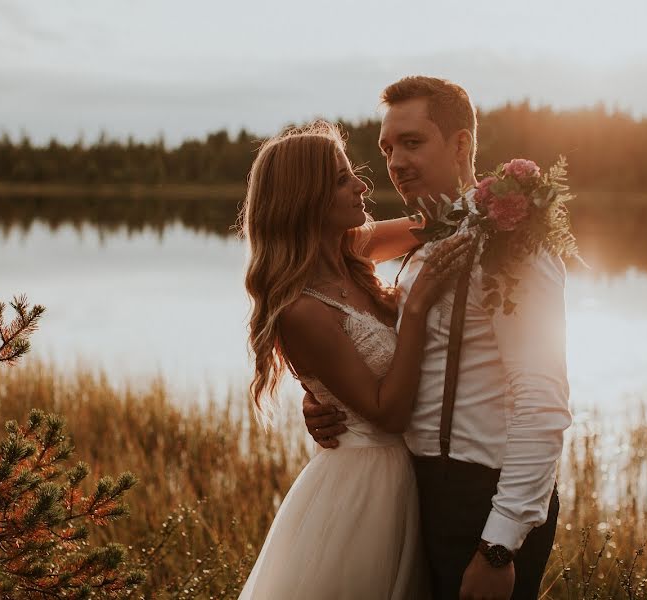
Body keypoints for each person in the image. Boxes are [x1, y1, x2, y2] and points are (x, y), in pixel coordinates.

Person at [303, 77, 571, 600]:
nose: (395, 161)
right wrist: (324, 397)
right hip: (413, 492)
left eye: (412, 142)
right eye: (386, 148)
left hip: (480, 499)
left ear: (462, 144)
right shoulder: (422, 243)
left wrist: (499, 544)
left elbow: (543, 402)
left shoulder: (516, 247)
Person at [238, 119, 473, 599]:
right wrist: (418, 308)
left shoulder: (350, 252)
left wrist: (502, 196)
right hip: (366, 491)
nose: (363, 184)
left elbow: (439, 221)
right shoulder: (301, 310)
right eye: (345, 179)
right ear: (308, 198)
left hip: (406, 475)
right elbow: (388, 412)